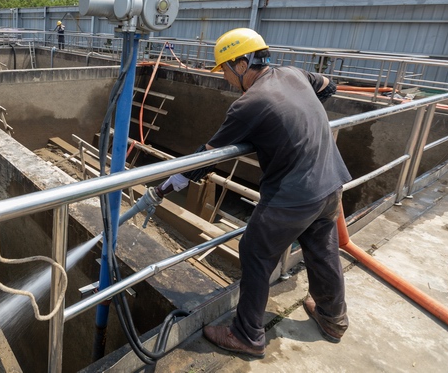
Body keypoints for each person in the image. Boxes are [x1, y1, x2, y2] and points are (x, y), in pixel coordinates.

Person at [147, 28, 350, 359]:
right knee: (322, 249)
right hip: (330, 183)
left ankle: (246, 335)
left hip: (293, 195)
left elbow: (208, 155)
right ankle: (333, 318)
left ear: (242, 64)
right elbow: (330, 86)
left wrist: (167, 185)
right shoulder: (294, 74)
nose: (226, 78)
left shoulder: (250, 104)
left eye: (226, 69)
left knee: (255, 250)